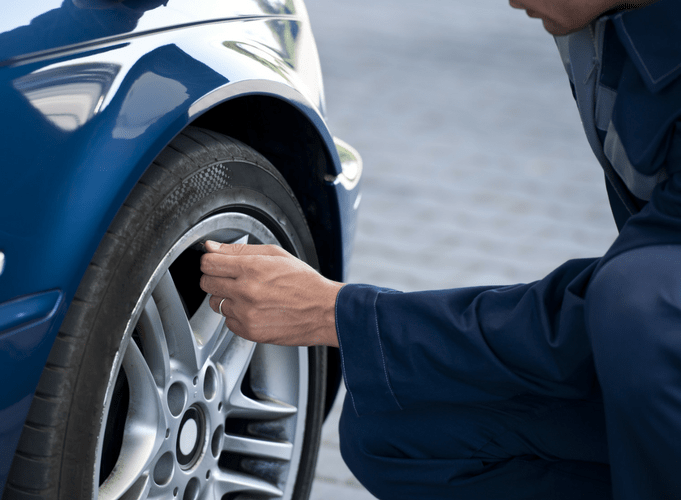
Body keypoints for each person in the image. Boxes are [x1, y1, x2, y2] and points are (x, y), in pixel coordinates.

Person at [200, 0, 681, 498]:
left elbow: (640, 315)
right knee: (400, 429)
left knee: (638, 297)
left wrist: (337, 314)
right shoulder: (617, 29)